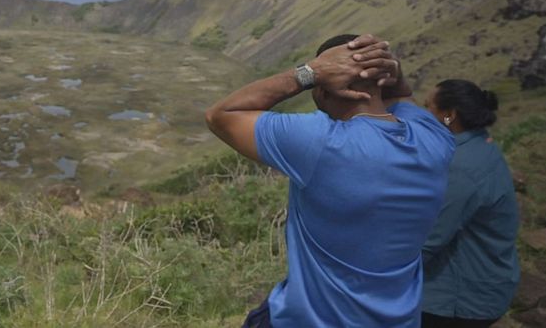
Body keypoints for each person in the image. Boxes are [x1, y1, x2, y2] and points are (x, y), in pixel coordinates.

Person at [205, 33, 454, 327]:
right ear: (383, 80)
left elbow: (220, 115)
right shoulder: (436, 139)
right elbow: (402, 98)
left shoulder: (321, 143)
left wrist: (310, 72)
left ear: (322, 92)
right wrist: (391, 71)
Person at [420, 79, 520, 327]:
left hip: (459, 300)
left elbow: (429, 241)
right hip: (487, 284)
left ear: (449, 116)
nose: (423, 114)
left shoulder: (461, 168)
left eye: (428, 106)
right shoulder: (479, 145)